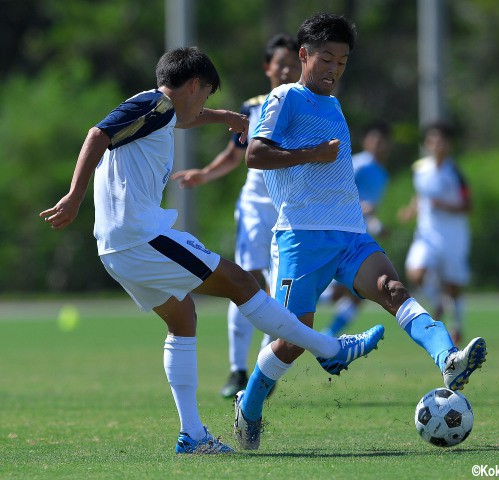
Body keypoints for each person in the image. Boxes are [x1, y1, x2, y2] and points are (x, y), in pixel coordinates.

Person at [39, 46, 384, 455]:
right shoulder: (156, 103)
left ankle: (193, 436)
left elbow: (185, 117)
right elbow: (97, 134)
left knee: (183, 317)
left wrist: (225, 117)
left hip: (115, 247)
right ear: (194, 85)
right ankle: (329, 348)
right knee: (239, 280)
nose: (204, 104)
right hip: (141, 236)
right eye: (206, 96)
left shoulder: (156, 111)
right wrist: (75, 196)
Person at [234, 13, 487, 451]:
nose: (334, 69)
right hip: (300, 236)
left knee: (393, 289)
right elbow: (254, 155)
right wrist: (312, 153)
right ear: (304, 55)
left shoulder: (334, 105)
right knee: (291, 342)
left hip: (350, 233)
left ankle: (448, 358)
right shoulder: (284, 97)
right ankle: (249, 405)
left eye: (343, 62)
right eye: (327, 58)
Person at [171, 33, 302, 398]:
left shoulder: (306, 106)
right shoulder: (254, 107)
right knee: (245, 280)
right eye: (282, 62)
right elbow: (234, 155)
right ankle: (237, 370)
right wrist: (205, 173)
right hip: (256, 208)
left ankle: (265, 367)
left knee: (280, 291)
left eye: (294, 62)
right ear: (268, 67)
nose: (288, 67)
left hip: (288, 208)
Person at [397, 122, 471, 344]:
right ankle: (437, 302)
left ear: (448, 144)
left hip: (453, 235)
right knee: (414, 272)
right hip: (427, 233)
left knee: (453, 285)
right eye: (432, 140)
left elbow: (468, 205)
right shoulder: (420, 168)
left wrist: (446, 205)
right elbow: (420, 195)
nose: (436, 144)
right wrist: (411, 210)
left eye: (441, 140)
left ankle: (456, 325)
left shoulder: (455, 173)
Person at [321, 121, 391, 336]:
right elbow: (338, 191)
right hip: (342, 230)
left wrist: (376, 226)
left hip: (359, 232)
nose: (379, 145)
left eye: (383, 141)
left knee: (359, 292)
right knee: (348, 288)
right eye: (375, 140)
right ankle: (284, 307)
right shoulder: (359, 164)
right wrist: (361, 208)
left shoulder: (382, 173)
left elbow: (368, 209)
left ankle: (328, 335)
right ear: (367, 142)